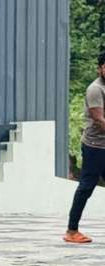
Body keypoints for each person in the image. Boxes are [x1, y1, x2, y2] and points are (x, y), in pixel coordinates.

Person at [65, 51, 105, 243]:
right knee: (86, 187)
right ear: (100, 68)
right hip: (95, 147)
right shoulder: (95, 89)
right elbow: (99, 120)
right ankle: (72, 231)